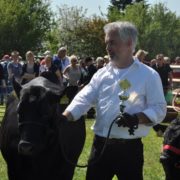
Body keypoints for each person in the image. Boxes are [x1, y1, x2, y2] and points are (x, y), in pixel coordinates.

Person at [62, 21, 167, 180]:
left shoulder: (149, 75)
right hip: (100, 148)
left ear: (129, 43)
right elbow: (84, 97)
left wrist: (137, 118)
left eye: (112, 42)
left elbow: (159, 109)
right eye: (107, 43)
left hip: (129, 151)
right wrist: (65, 116)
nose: (107, 48)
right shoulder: (101, 74)